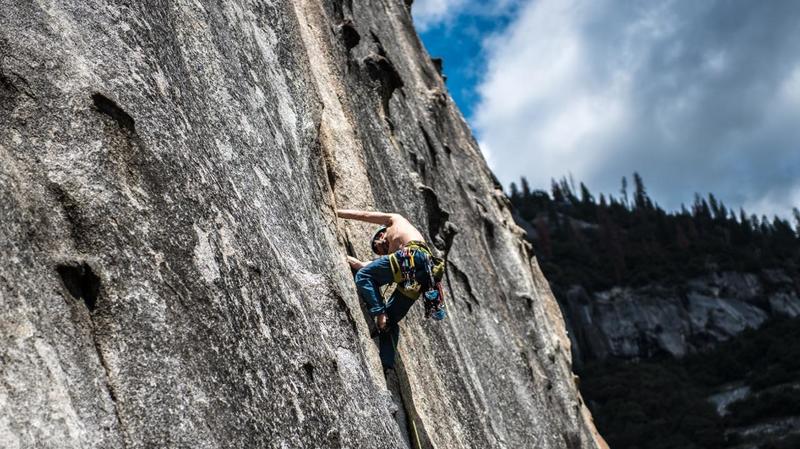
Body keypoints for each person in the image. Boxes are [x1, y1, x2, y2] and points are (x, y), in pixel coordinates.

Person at [336, 209, 446, 370]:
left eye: (379, 248)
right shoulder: (396, 252)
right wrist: (355, 262)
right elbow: (371, 266)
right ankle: (387, 363)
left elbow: (364, 215)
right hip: (420, 274)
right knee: (391, 320)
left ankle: (379, 313)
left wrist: (337, 212)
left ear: (380, 234)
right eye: (382, 253)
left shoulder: (394, 220)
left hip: (413, 257)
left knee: (364, 277)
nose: (383, 251)